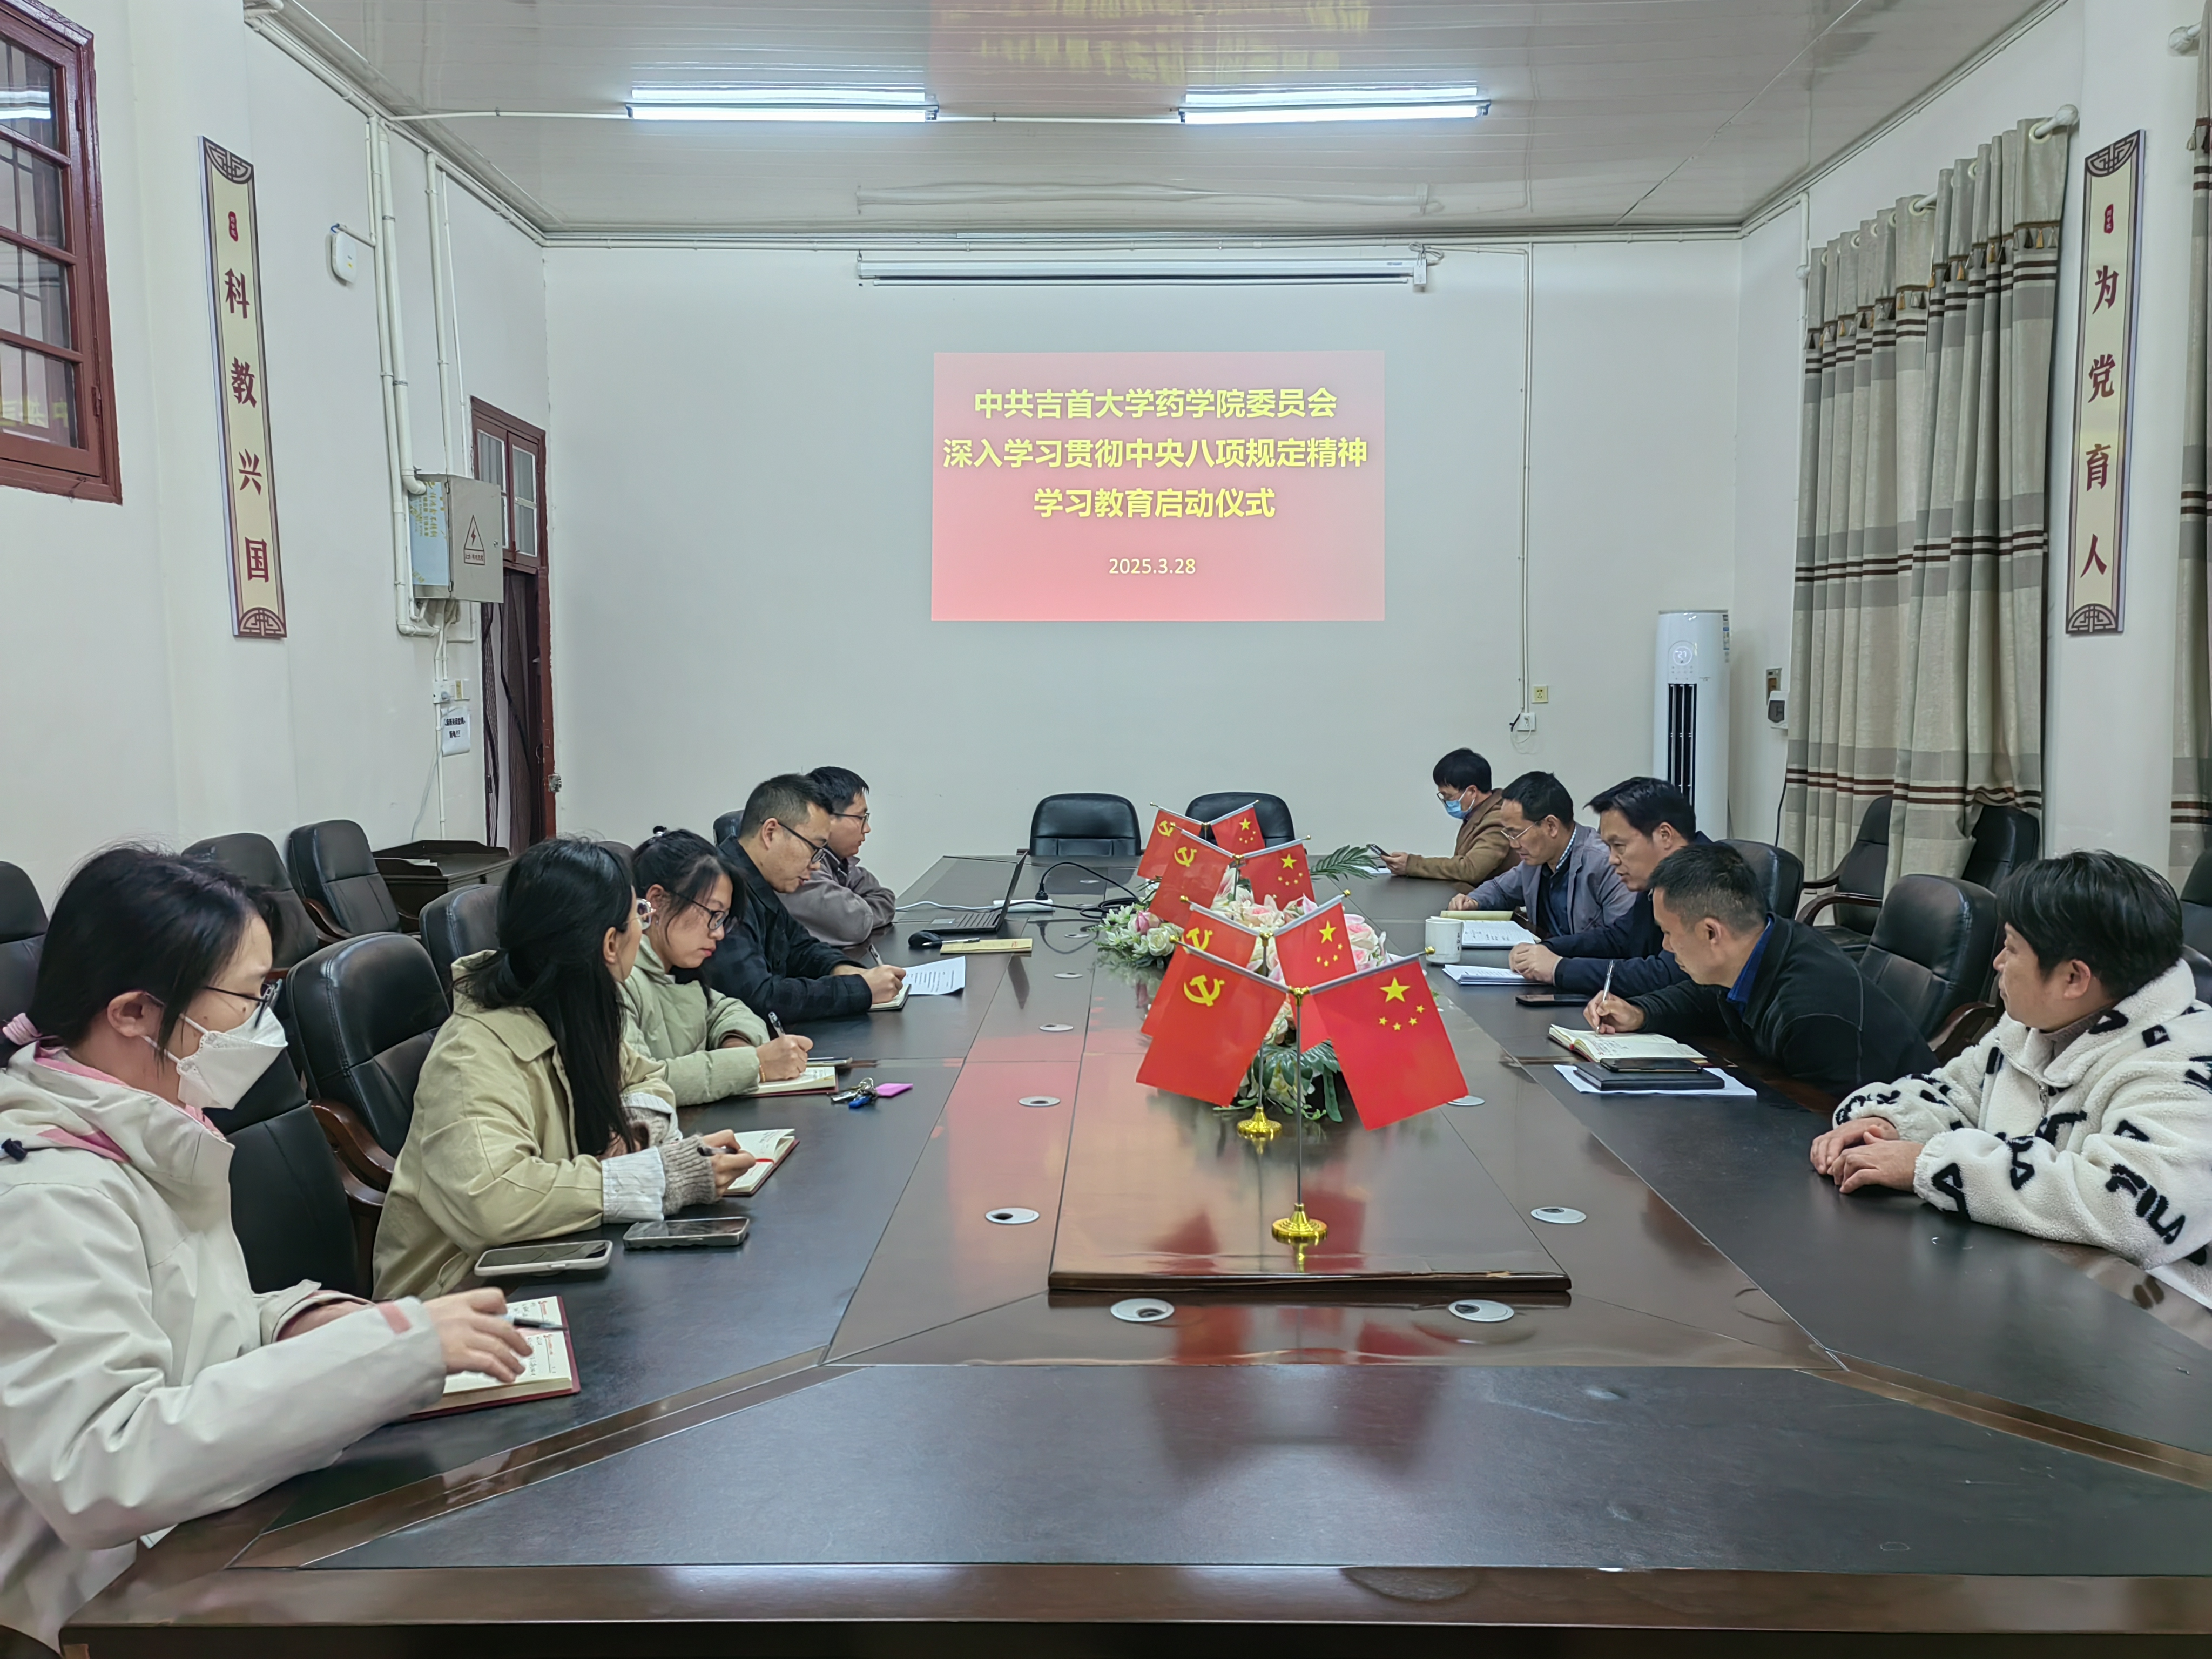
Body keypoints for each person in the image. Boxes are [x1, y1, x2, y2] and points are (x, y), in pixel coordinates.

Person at [0, 848, 529, 1654]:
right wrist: (382, 1355)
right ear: (134, 1012)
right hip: (100, 1602)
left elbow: (190, 1320)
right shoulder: (47, 1192)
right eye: (248, 998)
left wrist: (298, 1320)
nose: (262, 1024)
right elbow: (100, 1468)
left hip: (205, 1525)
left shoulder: (148, 1124)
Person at [375, 838, 754, 1299]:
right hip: (461, 1295)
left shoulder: (578, 1009)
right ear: (610, 944)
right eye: (638, 914)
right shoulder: (470, 1054)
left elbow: (644, 1076)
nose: (643, 926)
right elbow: (495, 1200)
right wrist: (658, 1177)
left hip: (563, 1253)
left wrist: (635, 1135)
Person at [1811, 852, 2212, 1284]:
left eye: (2012, 947)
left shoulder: (2187, 1067)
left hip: (2148, 1309)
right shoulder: (2036, 1024)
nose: (1999, 962)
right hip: (2019, 1273)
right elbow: (1955, 1093)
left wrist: (1930, 1165)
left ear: (2074, 979)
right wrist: (1889, 1123)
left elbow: (2129, 1212)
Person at [1587, 841, 1932, 1098]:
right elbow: (1704, 997)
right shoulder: (1759, 944)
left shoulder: (1809, 1011)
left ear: (1711, 933)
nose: (1666, 946)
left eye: (1668, 933)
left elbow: (1823, 1117)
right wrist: (1641, 1013)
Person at [622, 828, 815, 1104]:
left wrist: (736, 1043)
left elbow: (727, 1010)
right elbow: (640, 1085)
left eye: (723, 919)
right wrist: (753, 1064)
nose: (719, 933)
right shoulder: (620, 979)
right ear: (657, 902)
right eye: (713, 915)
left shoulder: (676, 970)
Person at [706, 774, 904, 1023]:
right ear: (771, 833)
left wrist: (842, 969)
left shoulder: (759, 880)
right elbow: (759, 998)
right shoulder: (719, 891)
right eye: (814, 849)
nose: (816, 865)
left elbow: (800, 947)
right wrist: (859, 990)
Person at [1509, 776, 1706, 995]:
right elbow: (1619, 937)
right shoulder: (1662, 877)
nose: (1612, 859)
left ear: (1665, 835)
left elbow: (1666, 975)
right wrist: (1548, 949)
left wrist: (1559, 968)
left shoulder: (1706, 881)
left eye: (1619, 845)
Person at [1446, 771, 1634, 936]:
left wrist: (1557, 959)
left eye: (1517, 833)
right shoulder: (1535, 862)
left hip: (1580, 963)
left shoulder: (1605, 864)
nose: (1513, 844)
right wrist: (1473, 901)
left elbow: (1620, 943)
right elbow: (1500, 890)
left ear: (1551, 826)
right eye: (1508, 834)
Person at [784, 766, 895, 963]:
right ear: (824, 818)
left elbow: (883, 896)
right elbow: (854, 925)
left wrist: (858, 909)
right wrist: (859, 911)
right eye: (861, 818)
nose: (867, 829)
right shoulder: (802, 868)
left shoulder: (837, 861)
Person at [1380, 748, 1511, 892]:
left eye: (1448, 796)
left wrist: (1412, 864)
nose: (1446, 801)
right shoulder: (1478, 813)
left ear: (1472, 791)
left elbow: (1471, 869)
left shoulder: (1499, 818)